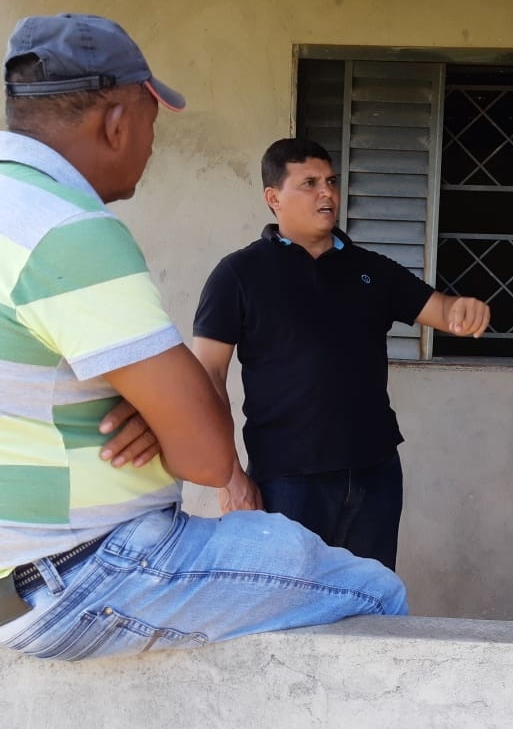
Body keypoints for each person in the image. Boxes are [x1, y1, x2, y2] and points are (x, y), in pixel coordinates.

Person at [0, 13, 407, 661]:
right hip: (86, 572)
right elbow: (207, 456)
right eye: (151, 122)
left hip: (15, 582)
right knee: (377, 592)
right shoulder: (68, 229)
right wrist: (169, 411)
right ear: (116, 122)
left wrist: (159, 407)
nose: (151, 143)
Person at [192, 138, 491, 570]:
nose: (327, 193)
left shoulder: (370, 269)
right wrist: (228, 477)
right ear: (273, 198)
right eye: (310, 183)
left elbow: (443, 311)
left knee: (368, 601)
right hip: (287, 482)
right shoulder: (239, 275)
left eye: (331, 181)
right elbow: (206, 378)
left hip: (375, 475)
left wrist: (465, 309)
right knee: (290, 602)